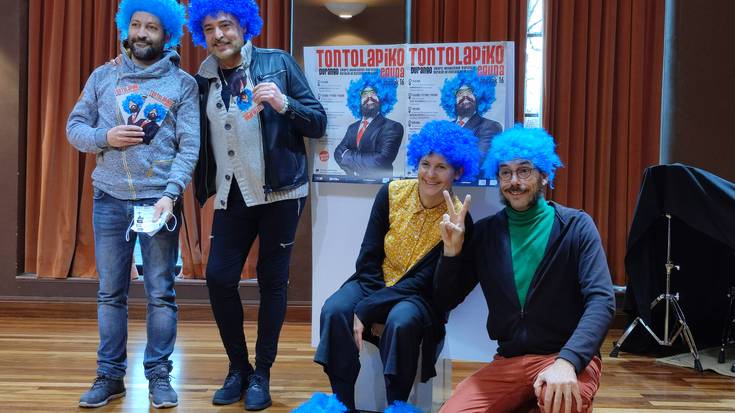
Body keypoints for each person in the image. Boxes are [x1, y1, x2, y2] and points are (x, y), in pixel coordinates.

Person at [187, 0, 327, 410]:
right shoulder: (202, 79)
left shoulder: (277, 63)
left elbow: (318, 121)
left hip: (281, 193)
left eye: (226, 24)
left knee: (272, 281)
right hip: (232, 193)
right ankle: (238, 368)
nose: (218, 35)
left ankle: (262, 374)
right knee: (218, 278)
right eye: (209, 28)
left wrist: (285, 104)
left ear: (244, 26)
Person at [66, 0, 199, 408]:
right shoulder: (102, 76)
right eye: (136, 24)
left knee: (161, 293)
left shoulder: (183, 84)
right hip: (108, 199)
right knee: (110, 294)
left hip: (159, 204)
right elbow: (74, 127)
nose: (142, 33)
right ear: (126, 27)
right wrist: (104, 138)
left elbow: (189, 146)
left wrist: (170, 194)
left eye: (152, 27)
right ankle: (109, 376)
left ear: (167, 35)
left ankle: (159, 375)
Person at [435, 125, 615, 413]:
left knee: (561, 402)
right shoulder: (486, 233)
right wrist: (451, 253)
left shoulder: (576, 226)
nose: (514, 181)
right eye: (505, 172)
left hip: (566, 356)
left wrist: (568, 361)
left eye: (524, 171)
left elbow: (602, 301)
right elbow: (446, 299)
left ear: (544, 174)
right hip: (510, 360)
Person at [315, 120, 480, 412]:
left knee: (401, 321)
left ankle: (397, 406)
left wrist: (369, 309)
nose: (430, 174)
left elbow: (426, 283)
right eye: (425, 164)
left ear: (457, 171)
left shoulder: (458, 219)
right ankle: (343, 404)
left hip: (419, 298)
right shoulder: (391, 193)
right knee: (335, 309)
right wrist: (372, 301)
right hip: (374, 282)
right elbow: (368, 258)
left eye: (441, 167)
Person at [334, 70, 404, 179]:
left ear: (382, 97)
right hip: (353, 185)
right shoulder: (352, 128)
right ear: (357, 101)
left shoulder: (393, 127)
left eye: (373, 93)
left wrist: (347, 156)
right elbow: (338, 153)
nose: (369, 97)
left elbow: (381, 161)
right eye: (364, 94)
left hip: (379, 185)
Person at [440, 69, 503, 165]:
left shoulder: (491, 126)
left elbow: (479, 160)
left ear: (479, 97)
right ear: (452, 101)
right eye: (460, 93)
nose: (465, 96)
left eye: (469, 92)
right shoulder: (446, 128)